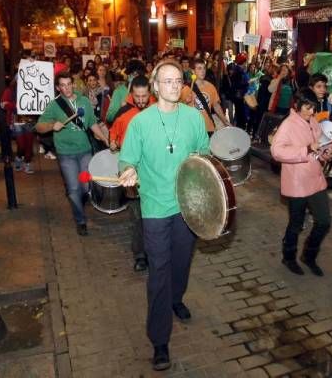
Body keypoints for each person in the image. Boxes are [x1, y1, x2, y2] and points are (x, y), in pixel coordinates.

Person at [118, 59, 209, 371]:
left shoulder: (194, 118)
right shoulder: (139, 124)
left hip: (187, 206)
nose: (172, 85)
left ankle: (176, 298)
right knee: (159, 271)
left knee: (182, 262)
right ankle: (159, 340)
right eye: (166, 81)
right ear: (154, 87)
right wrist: (128, 170)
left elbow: (203, 156)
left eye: (177, 80)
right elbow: (126, 159)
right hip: (155, 208)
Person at [36, 71, 109, 236]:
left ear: (73, 85)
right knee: (74, 189)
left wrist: (105, 139)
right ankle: (80, 220)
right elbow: (39, 127)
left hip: (84, 151)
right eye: (63, 85)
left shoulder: (83, 101)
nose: (67, 88)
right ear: (58, 87)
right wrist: (51, 125)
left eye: (69, 84)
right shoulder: (54, 105)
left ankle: (79, 201)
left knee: (85, 186)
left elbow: (92, 124)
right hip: (66, 154)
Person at [271, 89, 332, 276]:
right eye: (307, 107)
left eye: (313, 107)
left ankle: (309, 255)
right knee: (296, 224)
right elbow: (277, 151)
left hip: (316, 179)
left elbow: (322, 141)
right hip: (297, 183)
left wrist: (327, 151)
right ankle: (288, 257)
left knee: (323, 221)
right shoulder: (288, 125)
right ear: (296, 106)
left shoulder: (314, 122)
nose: (311, 111)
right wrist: (305, 149)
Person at [109, 75, 155, 271]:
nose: (141, 100)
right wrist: (112, 141)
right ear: (131, 94)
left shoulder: (158, 109)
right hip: (132, 172)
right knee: (137, 216)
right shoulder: (124, 112)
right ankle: (140, 255)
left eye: (145, 96)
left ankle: (156, 252)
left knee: (153, 216)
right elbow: (113, 133)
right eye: (137, 96)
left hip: (153, 173)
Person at [180, 58, 231, 135]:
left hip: (208, 128)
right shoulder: (187, 89)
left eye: (204, 68)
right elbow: (177, 109)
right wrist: (185, 102)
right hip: (192, 129)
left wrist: (225, 121)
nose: (203, 71)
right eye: (199, 68)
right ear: (193, 71)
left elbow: (216, 106)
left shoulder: (211, 87)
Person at [106, 60, 146, 124]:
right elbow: (109, 117)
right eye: (133, 74)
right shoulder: (119, 91)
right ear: (128, 75)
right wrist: (121, 108)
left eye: (138, 75)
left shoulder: (146, 91)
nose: (136, 77)